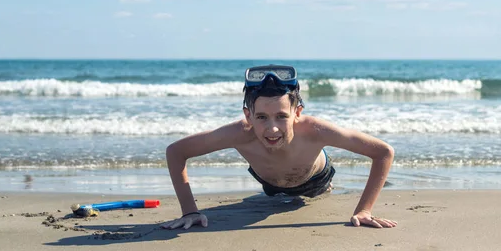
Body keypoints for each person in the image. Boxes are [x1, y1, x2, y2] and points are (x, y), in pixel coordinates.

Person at [161, 64, 397, 230]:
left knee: (312, 195)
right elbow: (176, 152)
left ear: (297, 113)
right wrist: (190, 210)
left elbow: (383, 152)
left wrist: (364, 210)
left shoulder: (316, 130)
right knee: (269, 197)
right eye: (261, 117)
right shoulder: (237, 134)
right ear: (248, 115)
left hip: (316, 181)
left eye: (281, 116)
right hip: (269, 184)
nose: (272, 129)